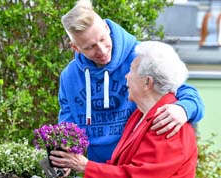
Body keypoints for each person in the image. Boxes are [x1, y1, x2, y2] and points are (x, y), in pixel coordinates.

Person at [51, 41, 198, 178]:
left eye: (132, 71)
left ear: (147, 82)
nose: (126, 76)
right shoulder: (140, 115)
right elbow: (123, 164)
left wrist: (85, 166)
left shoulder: (167, 126)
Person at [58, 0, 204, 164]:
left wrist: (184, 109)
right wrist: (67, 155)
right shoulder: (69, 77)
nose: (102, 50)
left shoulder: (141, 57)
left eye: (103, 39)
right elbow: (68, 125)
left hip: (135, 163)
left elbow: (186, 92)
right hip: (96, 169)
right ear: (76, 47)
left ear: (107, 27)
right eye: (89, 47)